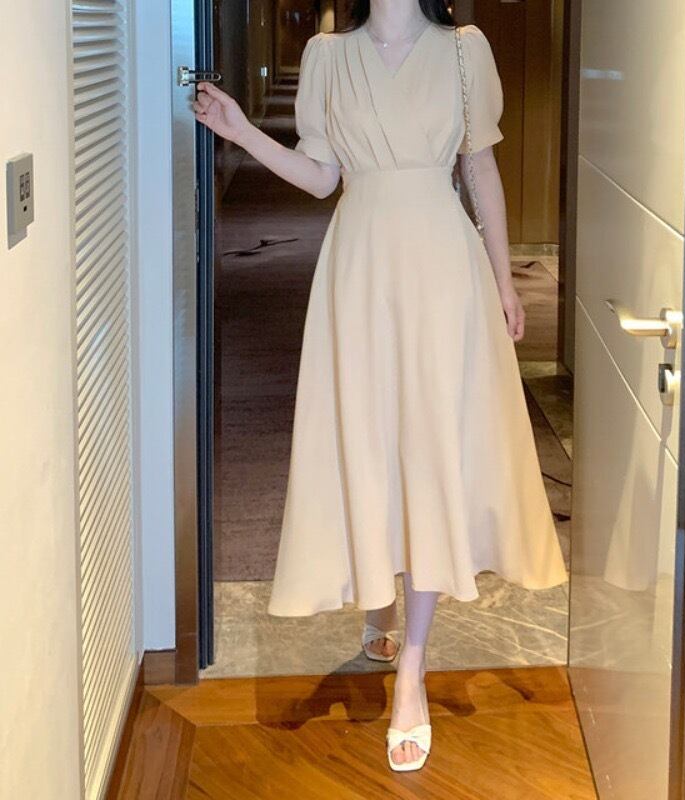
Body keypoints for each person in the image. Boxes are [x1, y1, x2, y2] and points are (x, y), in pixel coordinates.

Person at [194, 0, 568, 773]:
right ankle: (379, 601)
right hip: (359, 270)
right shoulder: (329, 56)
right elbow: (322, 176)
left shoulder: (464, 49)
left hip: (443, 270)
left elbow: (480, 168)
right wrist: (242, 132)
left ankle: (412, 675)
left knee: (429, 450)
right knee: (366, 442)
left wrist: (504, 279)